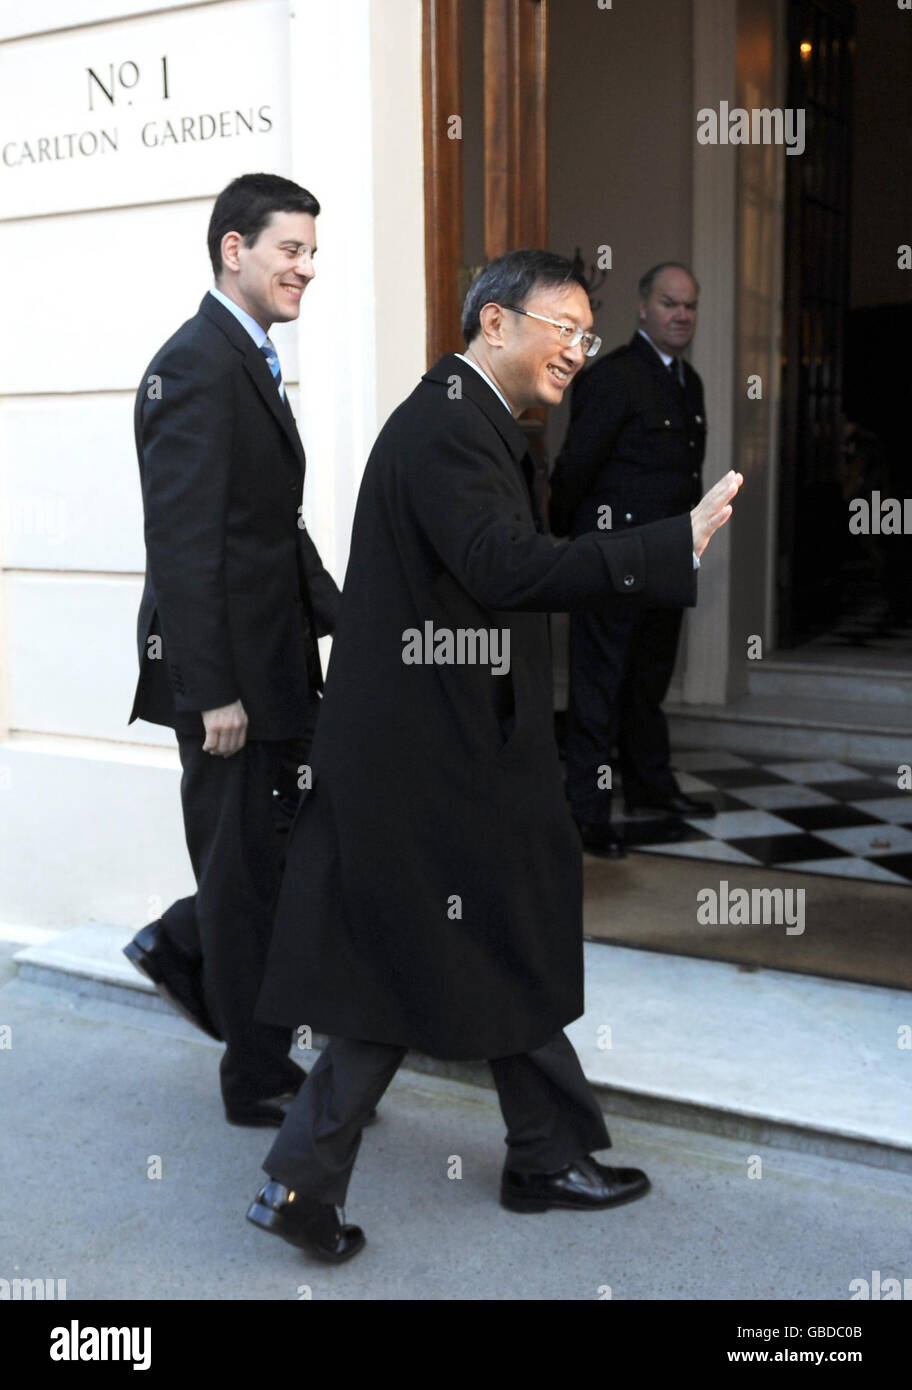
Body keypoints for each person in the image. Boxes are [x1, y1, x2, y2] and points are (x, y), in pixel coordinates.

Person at [245, 250, 742, 1262]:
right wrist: (662, 545)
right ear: (495, 323)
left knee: (491, 938)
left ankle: (533, 1153)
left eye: (587, 333)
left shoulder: (474, 421)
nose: (579, 349)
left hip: (456, 745)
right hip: (429, 760)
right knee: (424, 962)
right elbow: (503, 567)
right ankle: (322, 1178)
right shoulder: (446, 426)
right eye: (564, 326)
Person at [123, 173, 340, 1129]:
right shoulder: (197, 365)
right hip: (229, 688)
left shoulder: (243, 355)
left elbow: (271, 530)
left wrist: (352, 617)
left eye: (311, 251)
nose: (306, 267)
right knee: (249, 879)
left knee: (276, 864)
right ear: (233, 250)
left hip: (277, 667)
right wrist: (211, 690)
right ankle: (255, 1078)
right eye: (290, 249)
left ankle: (177, 943)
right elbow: (182, 545)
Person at [550, 263, 713, 859]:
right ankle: (587, 813)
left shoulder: (688, 383)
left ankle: (649, 787)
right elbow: (575, 467)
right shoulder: (616, 377)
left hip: (668, 559)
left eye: (690, 306)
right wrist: (575, 544)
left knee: (648, 683)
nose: (681, 315)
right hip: (613, 561)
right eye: (670, 303)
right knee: (598, 689)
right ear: (644, 308)